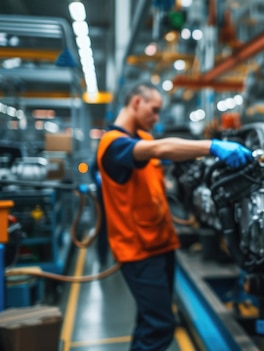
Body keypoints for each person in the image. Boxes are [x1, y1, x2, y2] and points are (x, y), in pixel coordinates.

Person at [95, 82, 253, 351]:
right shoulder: (113, 145)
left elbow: (160, 154)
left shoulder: (141, 139)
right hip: (139, 251)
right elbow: (161, 149)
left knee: (150, 321)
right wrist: (213, 146)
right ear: (136, 103)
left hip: (160, 244)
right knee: (159, 326)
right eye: (154, 110)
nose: (156, 118)